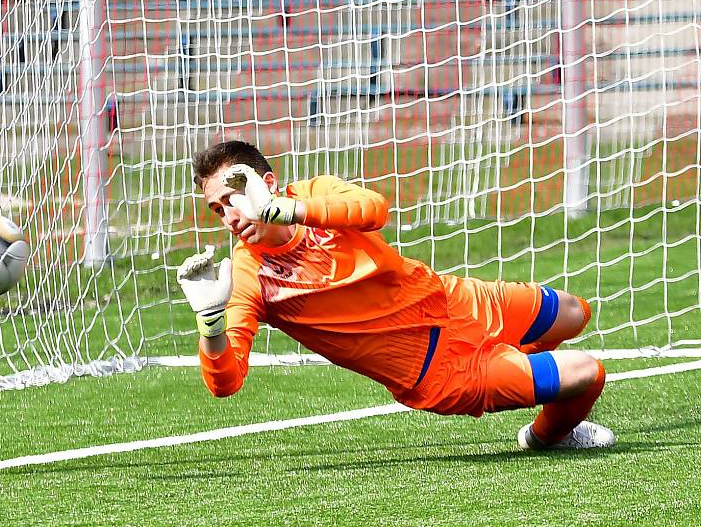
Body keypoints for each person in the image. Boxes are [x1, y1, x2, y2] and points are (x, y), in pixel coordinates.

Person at [178, 140, 616, 450]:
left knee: (575, 312)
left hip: (454, 300)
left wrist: (290, 210)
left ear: (267, 183)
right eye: (217, 209)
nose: (229, 217)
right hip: (439, 372)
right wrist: (211, 325)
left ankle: (526, 370)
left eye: (233, 198)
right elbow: (226, 381)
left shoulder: (310, 196)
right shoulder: (249, 274)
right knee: (587, 373)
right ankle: (545, 436)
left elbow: (373, 209)